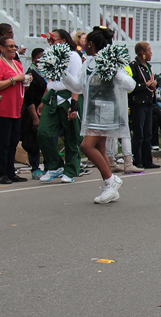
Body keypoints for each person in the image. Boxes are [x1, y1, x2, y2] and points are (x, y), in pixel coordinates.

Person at [61, 27, 136, 204]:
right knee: (100, 149)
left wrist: (115, 71)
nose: (83, 45)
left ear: (91, 44)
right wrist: (61, 72)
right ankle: (109, 187)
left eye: (86, 42)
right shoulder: (88, 63)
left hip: (107, 113)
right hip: (92, 111)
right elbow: (78, 87)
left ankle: (111, 181)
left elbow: (130, 84)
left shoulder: (111, 62)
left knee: (87, 146)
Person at [38, 29, 83, 184]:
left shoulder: (73, 56)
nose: (50, 43)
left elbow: (76, 82)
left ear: (63, 40)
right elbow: (49, 80)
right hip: (52, 97)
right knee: (43, 132)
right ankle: (55, 165)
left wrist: (74, 104)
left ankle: (71, 169)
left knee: (71, 136)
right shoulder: (50, 55)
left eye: (53, 39)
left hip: (68, 97)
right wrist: (43, 101)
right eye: (49, 40)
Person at [0, 36, 29, 185]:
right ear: (2, 48)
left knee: (13, 141)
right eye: (10, 46)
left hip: (16, 107)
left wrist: (25, 80)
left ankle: (11, 172)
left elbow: (20, 80)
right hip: (3, 108)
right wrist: (13, 80)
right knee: (4, 142)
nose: (13, 49)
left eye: (14, 46)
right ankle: (2, 173)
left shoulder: (16, 64)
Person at [125, 42, 160, 169]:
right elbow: (131, 86)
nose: (151, 54)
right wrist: (145, 85)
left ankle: (147, 160)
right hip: (138, 103)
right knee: (138, 133)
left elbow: (150, 82)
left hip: (148, 102)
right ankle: (137, 160)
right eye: (149, 52)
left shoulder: (148, 66)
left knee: (148, 133)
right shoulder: (134, 66)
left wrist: (154, 84)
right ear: (142, 53)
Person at [21, 48, 47, 179]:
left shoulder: (48, 73)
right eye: (39, 58)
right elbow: (28, 97)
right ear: (33, 59)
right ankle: (35, 167)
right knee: (33, 140)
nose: (41, 60)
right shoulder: (30, 74)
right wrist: (35, 118)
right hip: (33, 110)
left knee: (47, 138)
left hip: (46, 109)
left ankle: (49, 166)